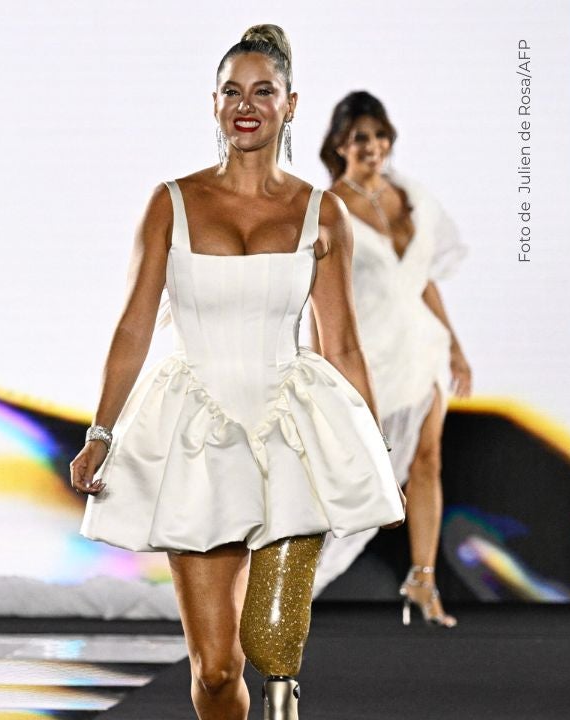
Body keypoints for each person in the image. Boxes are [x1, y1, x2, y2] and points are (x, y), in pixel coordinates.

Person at [70, 25, 406, 719]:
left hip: (292, 427)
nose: (245, 104)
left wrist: (370, 453)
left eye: (263, 91)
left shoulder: (323, 213)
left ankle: (284, 697)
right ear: (214, 103)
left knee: (274, 646)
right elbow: (135, 325)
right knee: (219, 669)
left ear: (291, 103)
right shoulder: (172, 202)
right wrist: (101, 430)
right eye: (231, 90)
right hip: (197, 434)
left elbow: (339, 343)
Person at [311, 90, 470, 628]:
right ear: (340, 144)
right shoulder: (327, 207)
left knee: (429, 462)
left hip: (421, 351)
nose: (373, 146)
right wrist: (320, 369)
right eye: (361, 137)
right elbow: (315, 294)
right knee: (354, 481)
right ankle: (288, 582)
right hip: (371, 360)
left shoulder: (412, 195)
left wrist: (456, 346)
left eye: (380, 135)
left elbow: (421, 277)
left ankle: (422, 581)